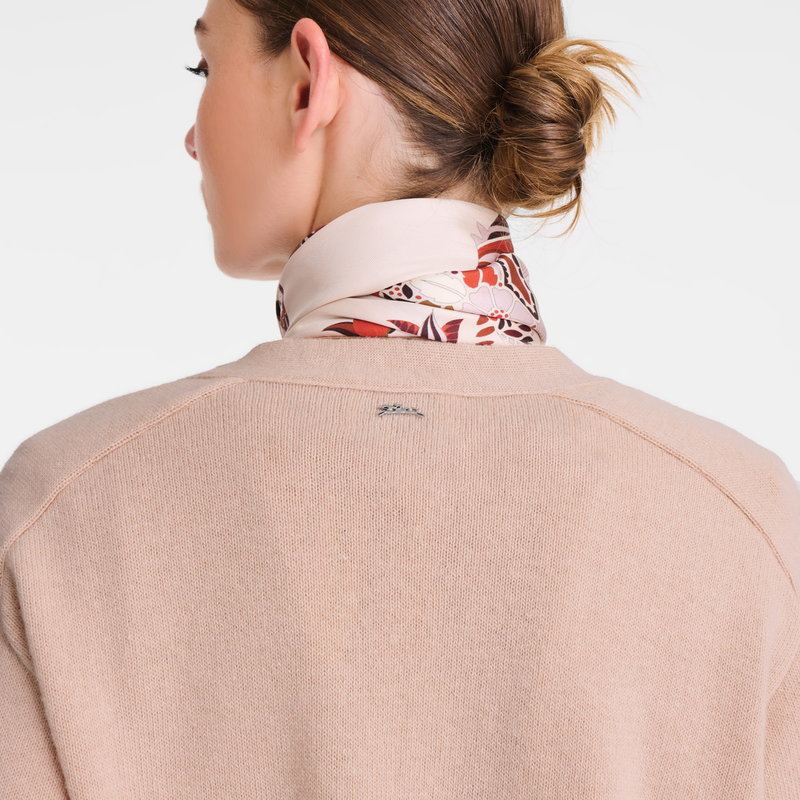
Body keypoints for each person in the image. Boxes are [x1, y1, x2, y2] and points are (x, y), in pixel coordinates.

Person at [1, 0, 798, 796]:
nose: (191, 137)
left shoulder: (63, 509)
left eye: (205, 67)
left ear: (307, 82)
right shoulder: (742, 517)